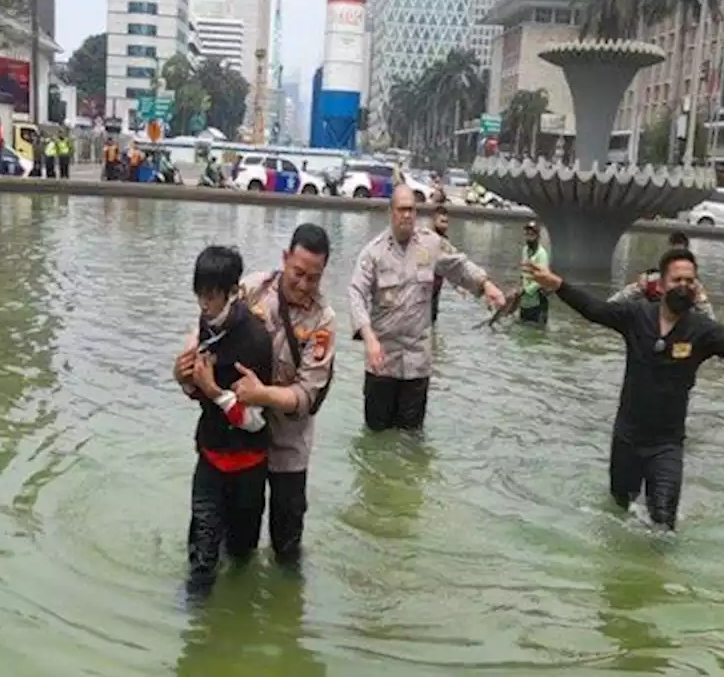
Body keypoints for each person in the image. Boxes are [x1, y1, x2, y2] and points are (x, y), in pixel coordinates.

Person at [523, 249, 724, 531]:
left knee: (663, 525)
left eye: (690, 281)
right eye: (677, 280)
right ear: (662, 284)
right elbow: (595, 309)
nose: (684, 286)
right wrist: (559, 285)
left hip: (666, 445)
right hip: (626, 437)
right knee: (618, 510)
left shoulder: (702, 330)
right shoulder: (636, 315)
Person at [349, 185, 508, 432]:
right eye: (401, 209)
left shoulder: (431, 244)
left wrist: (485, 284)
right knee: (376, 436)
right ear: (391, 212)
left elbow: (459, 265)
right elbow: (356, 293)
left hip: (416, 362)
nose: (407, 215)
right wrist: (368, 338)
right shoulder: (373, 252)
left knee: (412, 439)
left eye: (411, 210)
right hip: (382, 360)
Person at [172, 246, 276, 596]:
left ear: (232, 293)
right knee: (201, 555)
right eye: (200, 295)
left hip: (248, 464)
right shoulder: (205, 326)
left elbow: (257, 420)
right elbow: (195, 390)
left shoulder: (257, 341)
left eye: (211, 297)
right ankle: (195, 624)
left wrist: (213, 390)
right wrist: (182, 377)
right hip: (212, 458)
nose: (204, 304)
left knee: (242, 553)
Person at [232, 224, 337, 566]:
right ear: (285, 259)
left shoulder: (323, 320)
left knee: (287, 547)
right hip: (244, 438)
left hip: (289, 444)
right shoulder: (252, 290)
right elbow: (210, 328)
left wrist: (262, 394)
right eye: (298, 273)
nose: (304, 284)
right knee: (237, 543)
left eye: (314, 277)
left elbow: (307, 396)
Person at [609, 231, 715, 319]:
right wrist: (638, 289)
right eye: (676, 279)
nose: (682, 284)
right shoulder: (650, 281)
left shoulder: (695, 289)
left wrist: (701, 300)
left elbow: (712, 324)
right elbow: (612, 304)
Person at [518, 221, 551, 325]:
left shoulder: (542, 254)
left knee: (537, 332)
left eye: (532, 235)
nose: (529, 237)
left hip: (538, 302)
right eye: (527, 234)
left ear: (537, 236)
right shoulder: (525, 250)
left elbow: (542, 279)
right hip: (524, 302)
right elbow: (523, 273)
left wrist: (526, 290)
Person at [428, 205, 450, 324]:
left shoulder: (445, 241)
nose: (445, 226)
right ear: (433, 220)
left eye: (447, 222)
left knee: (433, 319)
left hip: (436, 287)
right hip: (424, 288)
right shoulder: (426, 239)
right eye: (442, 222)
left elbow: (451, 265)